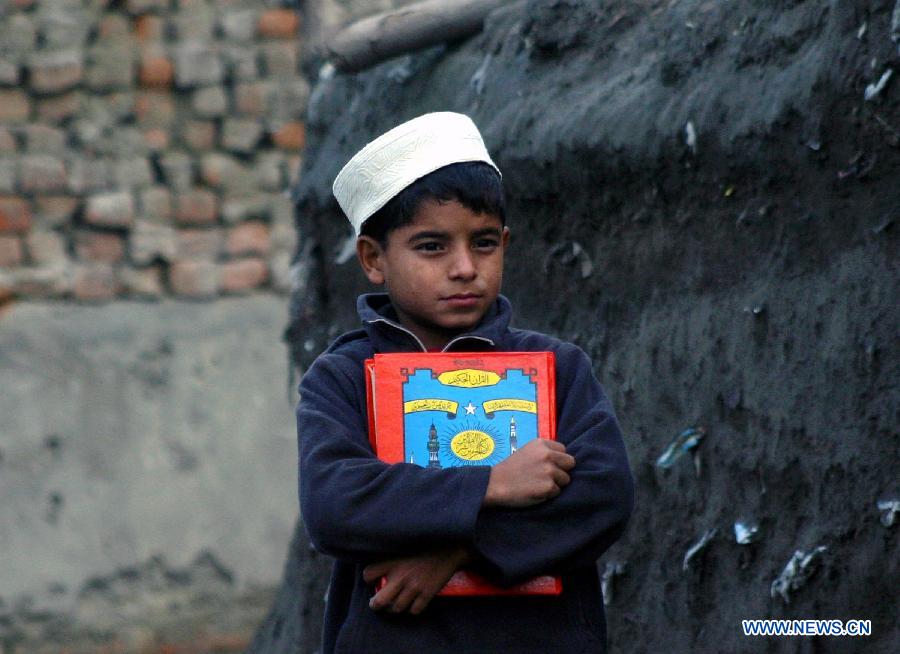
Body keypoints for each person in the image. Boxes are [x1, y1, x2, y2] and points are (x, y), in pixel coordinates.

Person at [297, 112, 634, 653]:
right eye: (432, 247)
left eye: (482, 244)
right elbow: (335, 504)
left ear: (504, 243)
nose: (464, 268)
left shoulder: (556, 366)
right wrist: (492, 484)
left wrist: (458, 551)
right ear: (373, 258)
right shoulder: (342, 378)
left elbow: (604, 495)